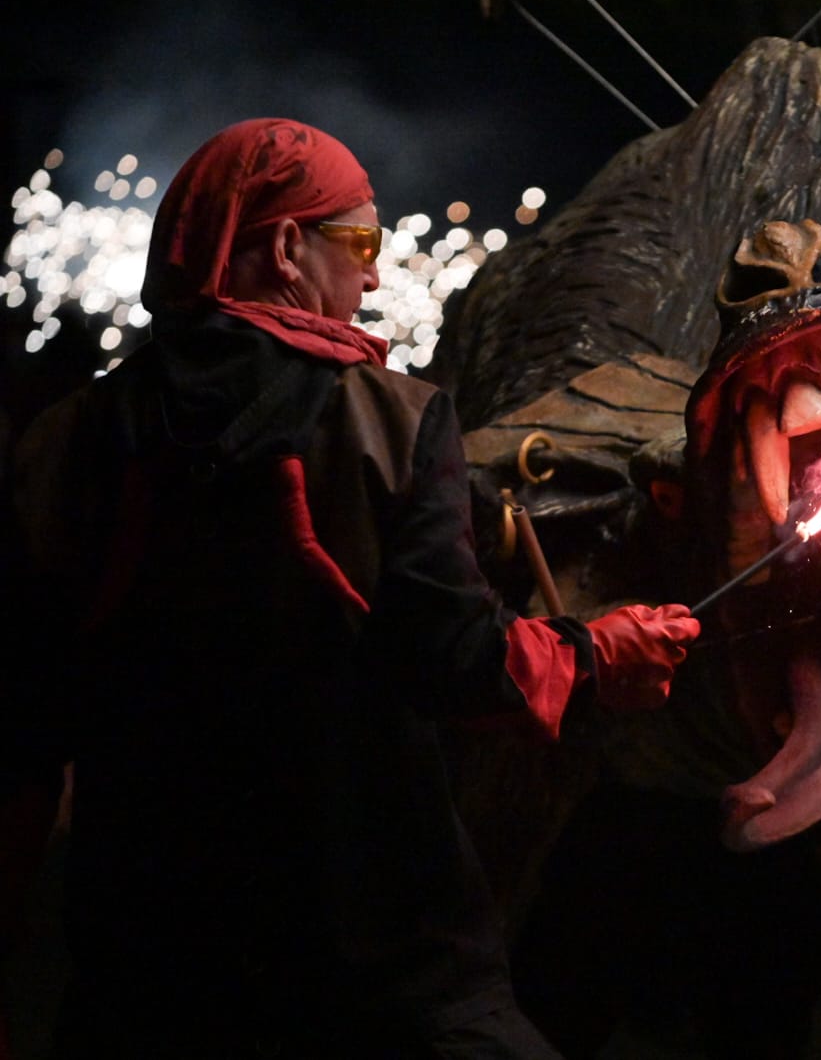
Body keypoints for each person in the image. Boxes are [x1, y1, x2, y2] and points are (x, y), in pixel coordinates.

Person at [0, 118, 700, 1059]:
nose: (373, 278)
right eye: (362, 244)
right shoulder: (390, 421)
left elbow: (26, 730)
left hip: (145, 967)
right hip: (376, 955)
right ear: (287, 248)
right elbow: (452, 660)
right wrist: (595, 653)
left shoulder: (64, 440)